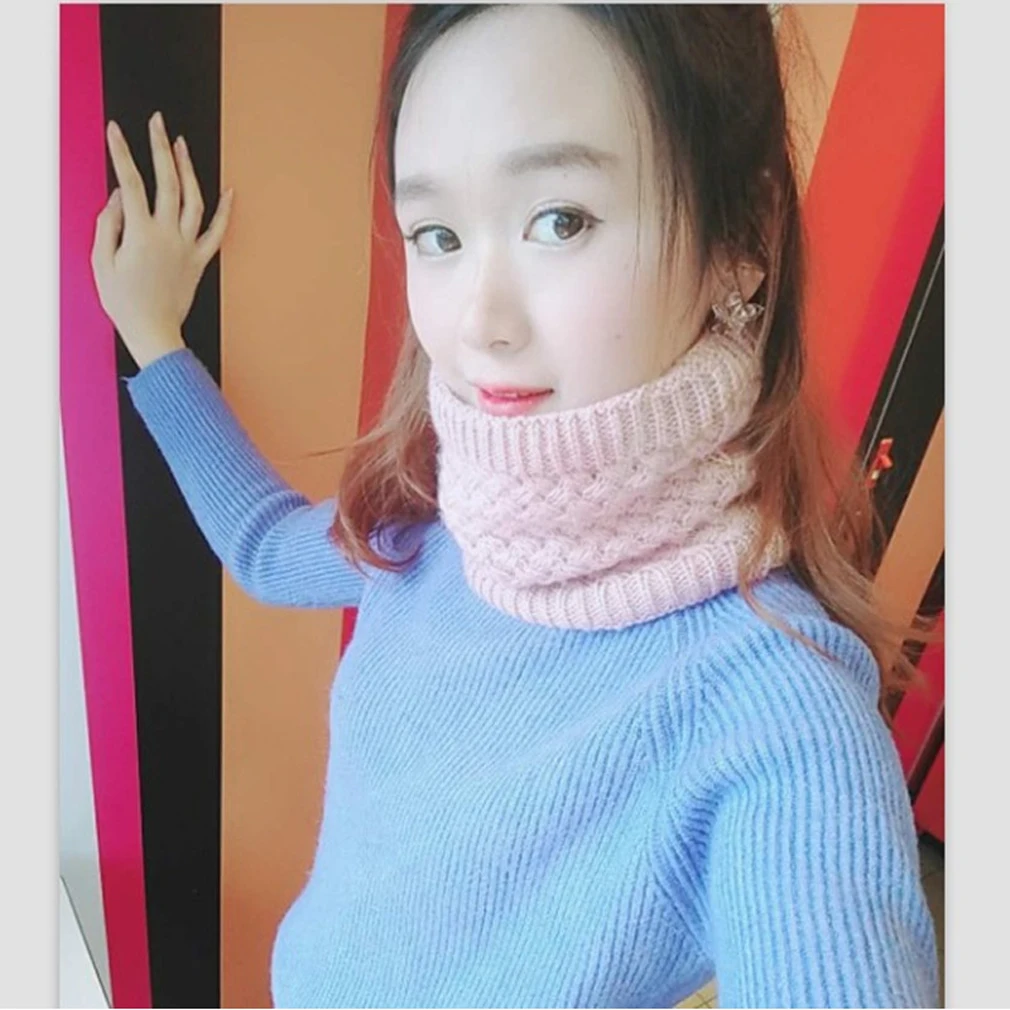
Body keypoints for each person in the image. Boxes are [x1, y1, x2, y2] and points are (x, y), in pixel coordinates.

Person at [90, 5, 939, 1008]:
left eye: (559, 219)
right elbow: (268, 549)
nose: (477, 321)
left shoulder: (780, 716)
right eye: (438, 234)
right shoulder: (439, 531)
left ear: (739, 240)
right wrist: (154, 336)